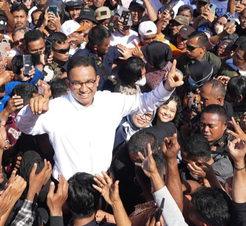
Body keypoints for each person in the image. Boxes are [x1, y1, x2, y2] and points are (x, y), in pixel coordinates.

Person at [16, 55, 184, 179]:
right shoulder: (55, 108)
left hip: (102, 186)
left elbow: (145, 102)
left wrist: (167, 86)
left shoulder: (110, 101)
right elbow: (24, 127)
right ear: (68, 84)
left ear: (97, 80)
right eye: (77, 83)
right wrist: (32, 110)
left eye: (89, 82)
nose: (84, 89)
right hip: (67, 191)